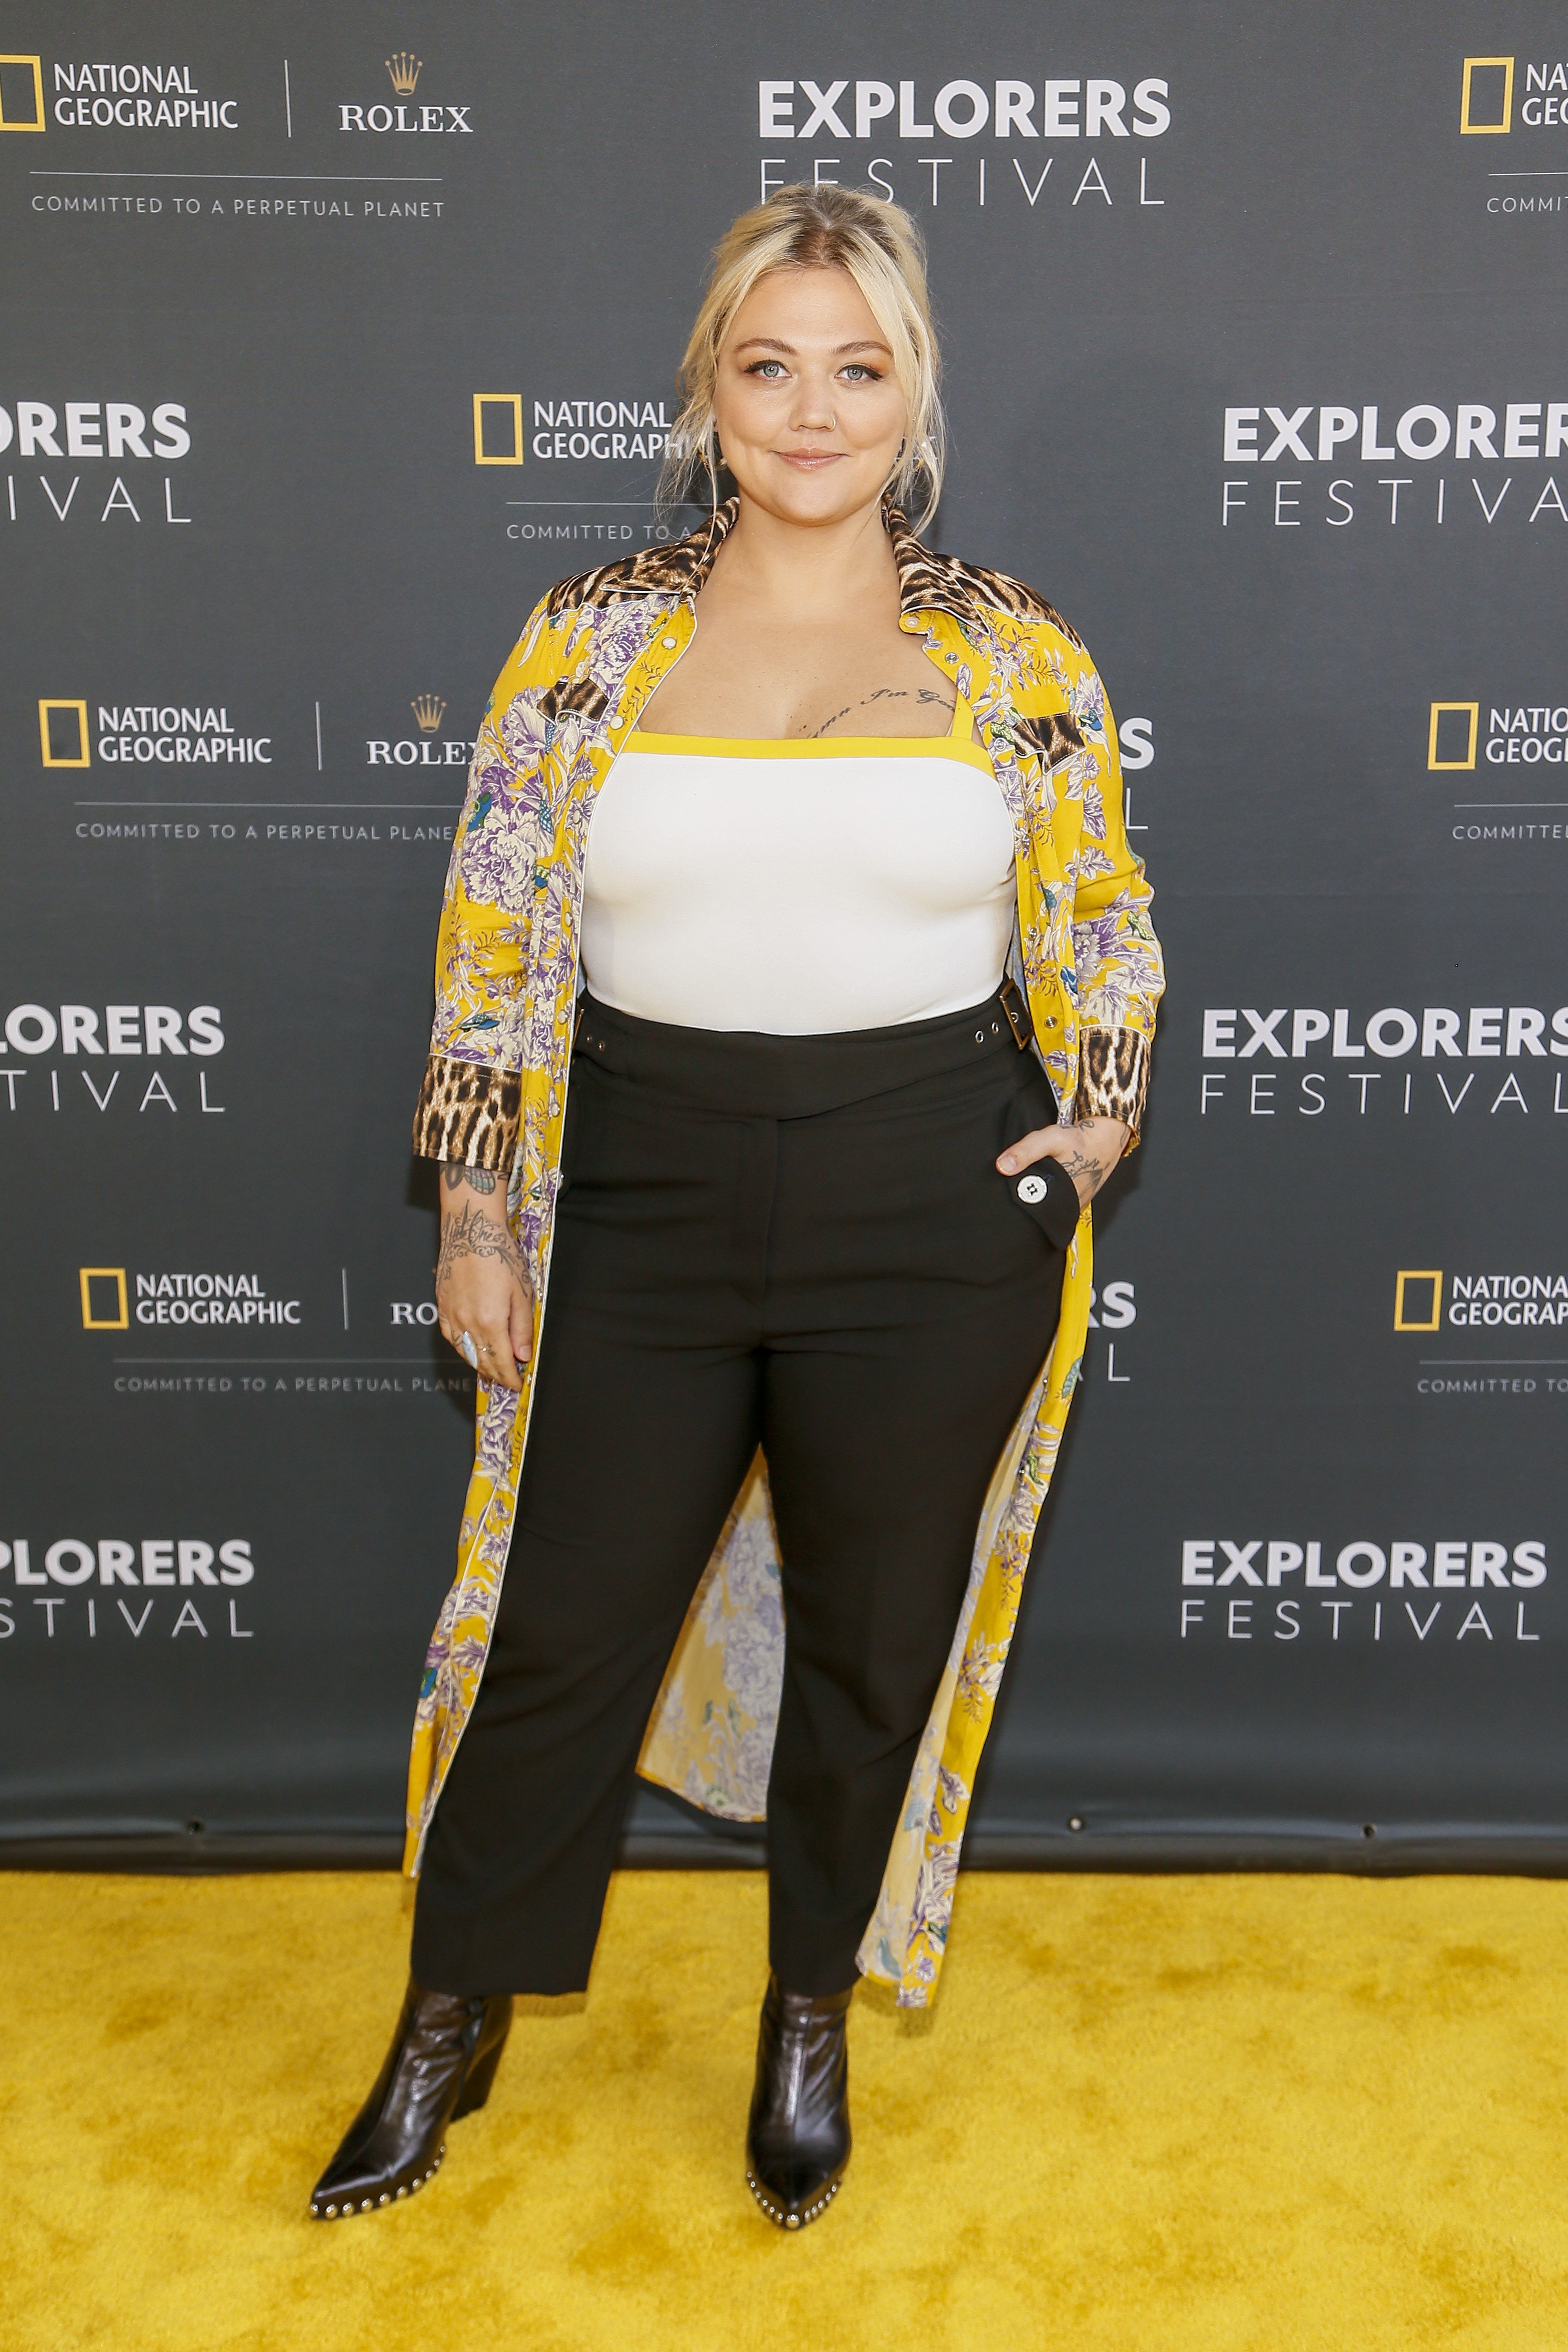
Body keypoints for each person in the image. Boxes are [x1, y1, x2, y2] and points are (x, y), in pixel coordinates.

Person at [310, 181, 1162, 2231]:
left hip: (929, 1201)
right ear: (710, 387)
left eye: (855, 369)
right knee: (558, 1632)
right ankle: (451, 2016)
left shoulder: (1009, 650)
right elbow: (496, 931)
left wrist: (1104, 1113)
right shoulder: (590, 636)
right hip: (645, 1187)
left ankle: (806, 2011)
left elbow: (1100, 916)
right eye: (770, 365)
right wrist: (477, 1209)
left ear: (912, 397)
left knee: (875, 1648)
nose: (810, 410)